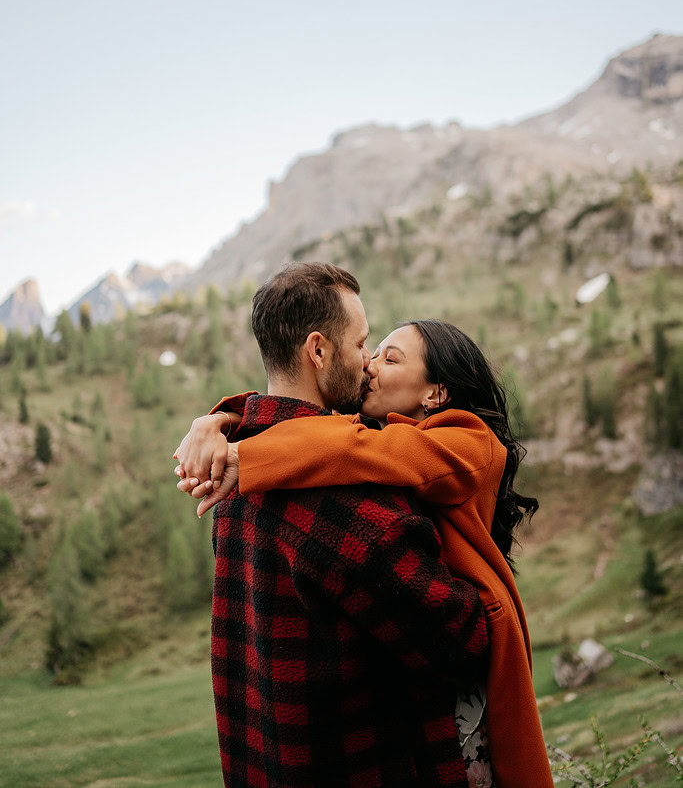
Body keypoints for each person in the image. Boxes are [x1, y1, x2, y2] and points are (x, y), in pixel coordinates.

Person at [175, 314, 554, 788]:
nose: (370, 365)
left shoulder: (470, 441)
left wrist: (243, 455)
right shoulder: (378, 432)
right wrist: (221, 420)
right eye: (371, 352)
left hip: (473, 637)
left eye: (389, 358)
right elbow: (326, 434)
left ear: (434, 394)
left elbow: (353, 449)